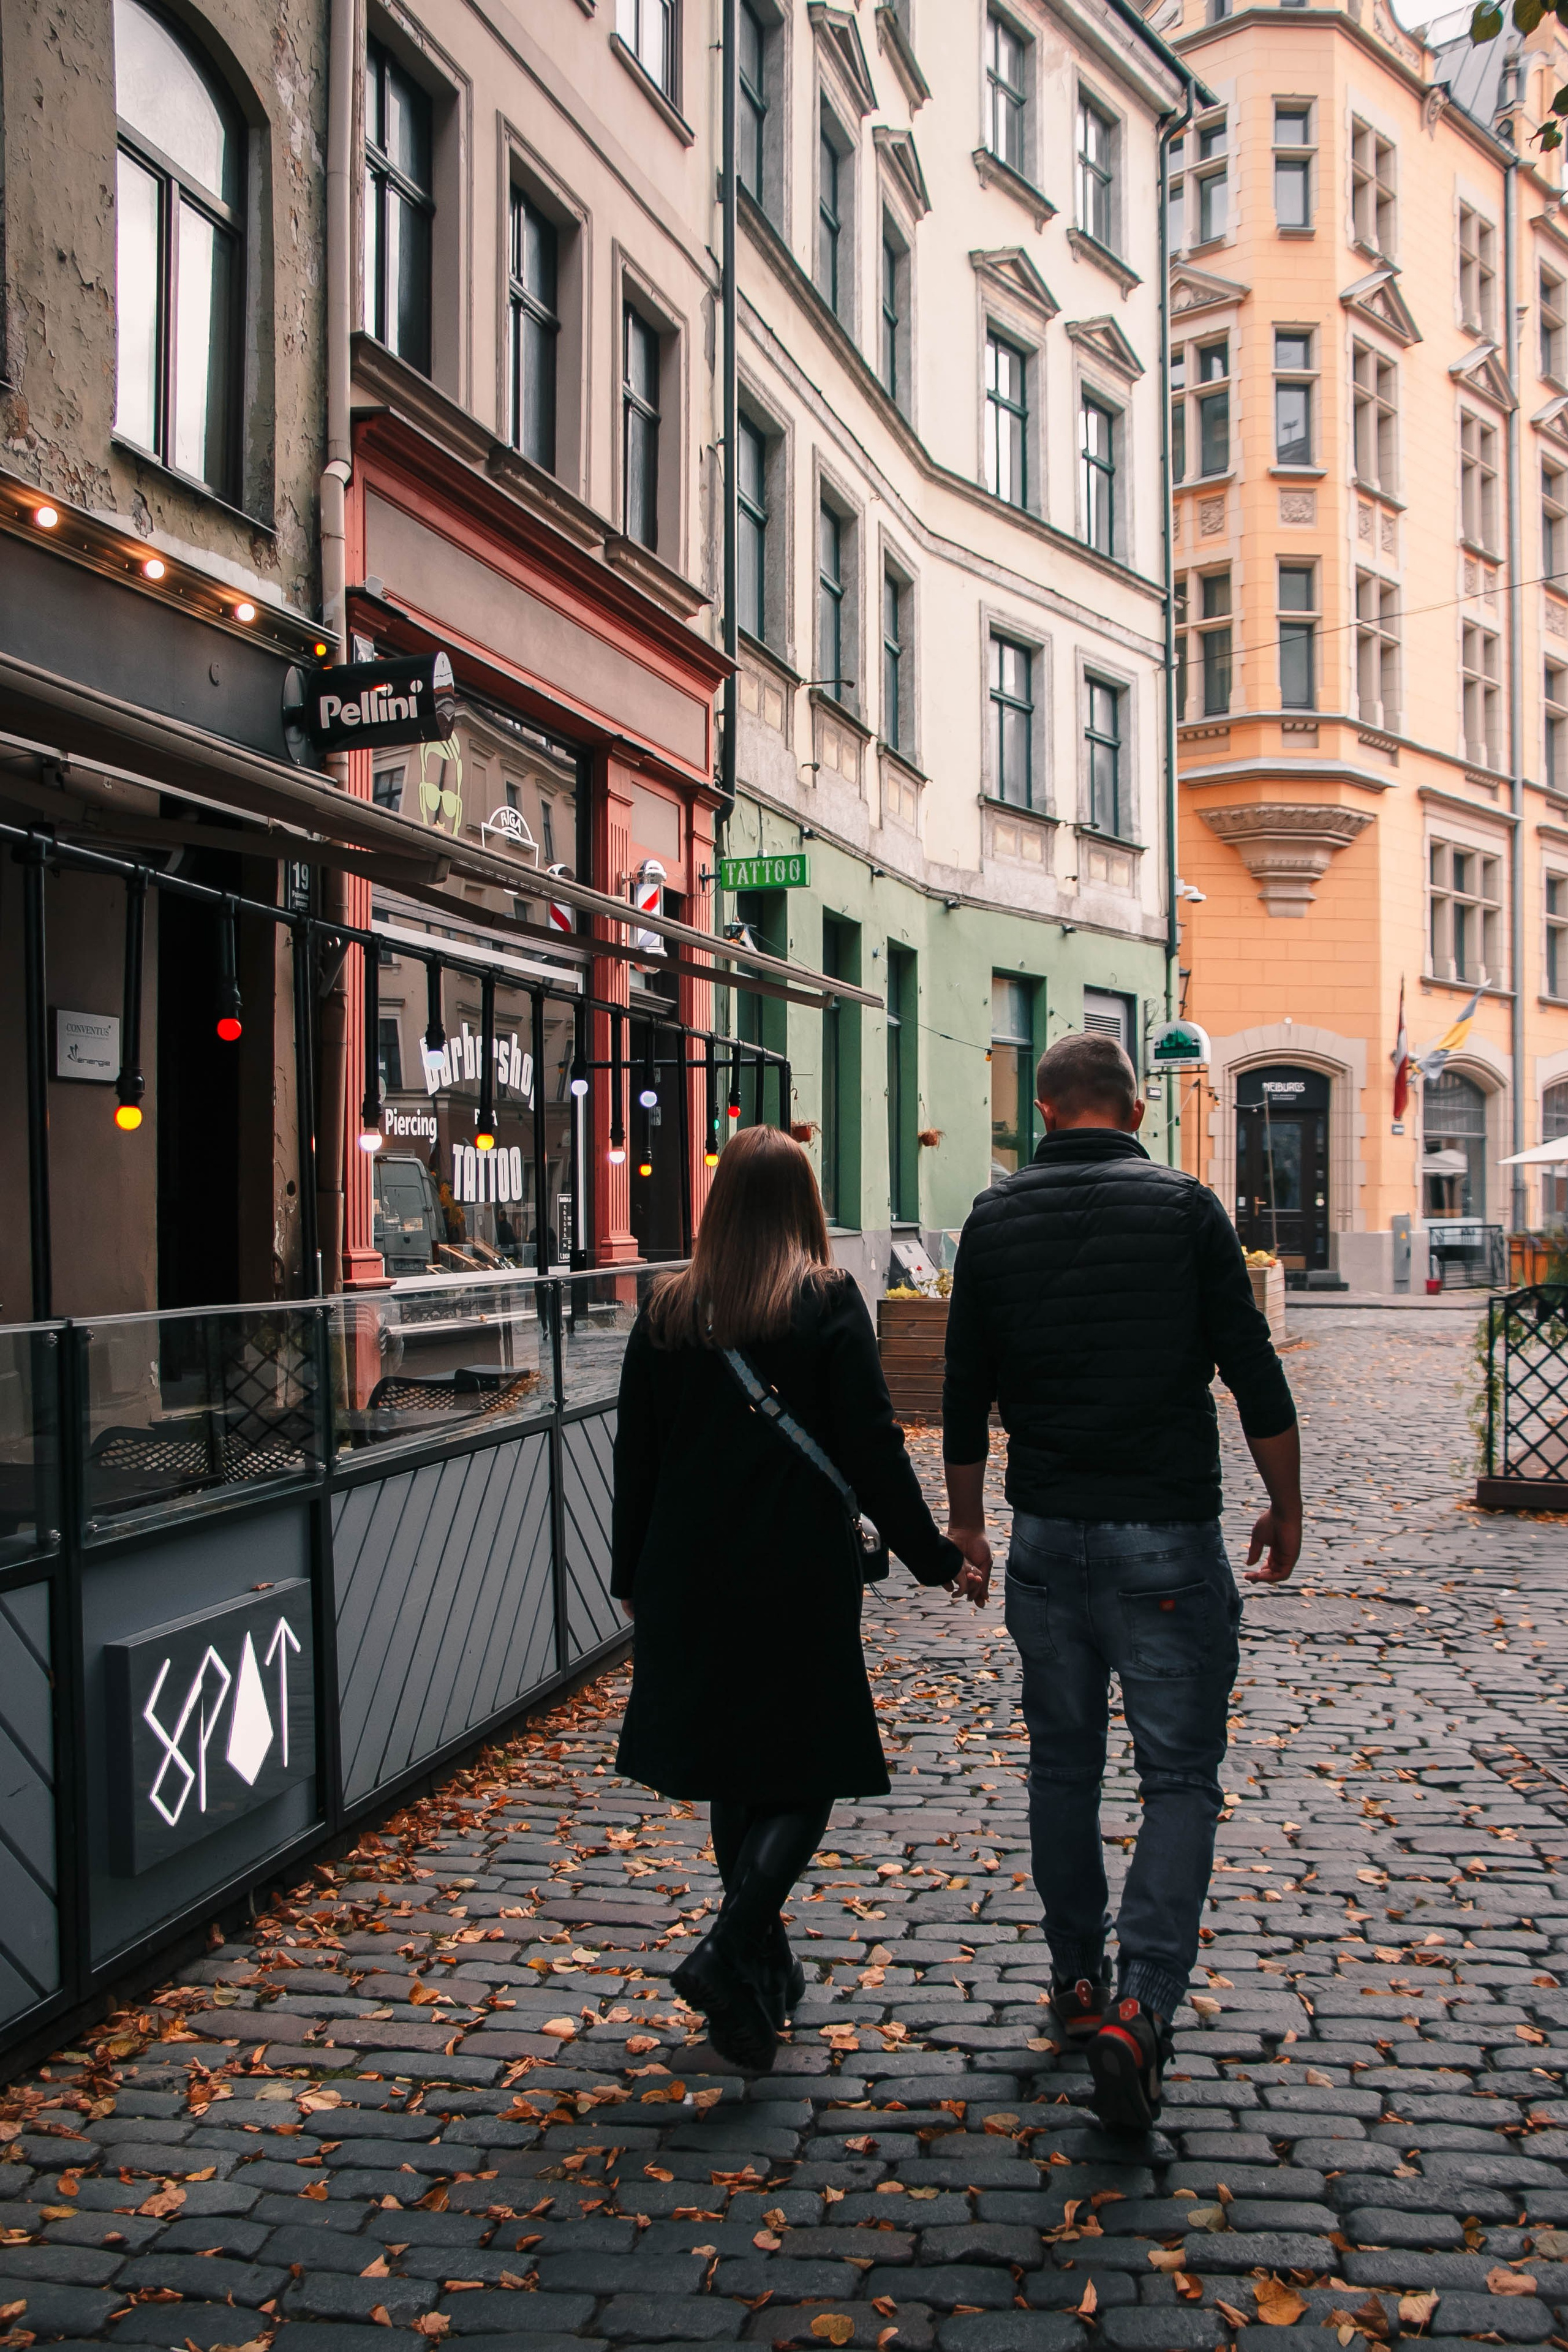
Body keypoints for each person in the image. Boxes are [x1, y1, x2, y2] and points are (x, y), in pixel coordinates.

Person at [941, 1031, 1302, 2131]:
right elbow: (1251, 1368)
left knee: (1062, 1768)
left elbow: (964, 1389)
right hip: (1167, 1539)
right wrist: (1288, 1506)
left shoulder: (994, 1219)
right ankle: (1142, 2005)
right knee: (1179, 1780)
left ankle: (1076, 1979)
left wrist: (967, 1524)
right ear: (1135, 1109)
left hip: (1048, 1540)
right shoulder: (1188, 1208)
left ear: (1044, 1108)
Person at [611, 1125, 968, 2072]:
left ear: (720, 1202)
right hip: (793, 1567)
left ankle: (756, 1987)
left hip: (686, 1570)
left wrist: (631, 1576)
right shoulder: (824, 1303)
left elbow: (635, 1460)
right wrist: (934, 1559)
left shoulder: (667, 1310)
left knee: (737, 1769)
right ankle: (732, 1951)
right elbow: (872, 1448)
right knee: (806, 1769)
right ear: (804, 1206)